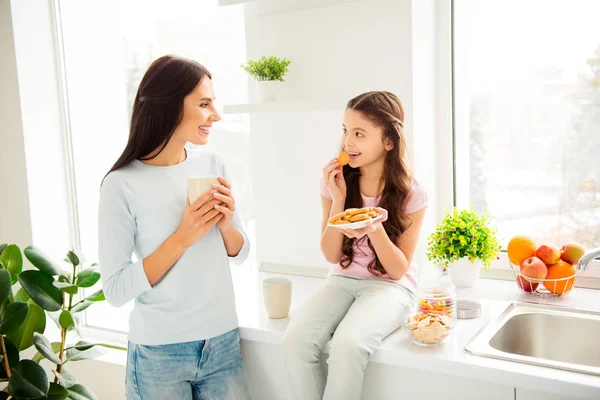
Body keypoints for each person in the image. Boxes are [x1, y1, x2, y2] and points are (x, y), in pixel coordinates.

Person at [98, 55, 251, 400]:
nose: (216, 114)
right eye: (204, 104)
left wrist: (226, 224)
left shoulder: (212, 164)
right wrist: (182, 238)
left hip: (222, 342)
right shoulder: (121, 184)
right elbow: (116, 289)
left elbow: (241, 254)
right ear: (170, 106)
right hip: (159, 354)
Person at [283, 91, 428, 400]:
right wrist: (338, 198)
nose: (348, 141)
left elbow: (399, 268)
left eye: (359, 133)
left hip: (390, 287)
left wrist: (373, 227)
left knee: (348, 345)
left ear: (388, 141)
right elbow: (331, 254)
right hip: (342, 279)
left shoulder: (410, 193)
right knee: (296, 340)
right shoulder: (335, 182)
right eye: (346, 130)